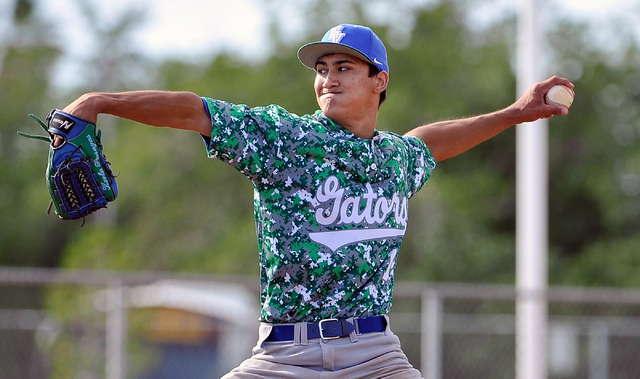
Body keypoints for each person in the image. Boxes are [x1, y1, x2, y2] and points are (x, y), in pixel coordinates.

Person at [62, 24, 572, 379]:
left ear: (380, 81)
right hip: (287, 355)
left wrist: (513, 114)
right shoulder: (284, 138)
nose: (329, 77)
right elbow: (195, 111)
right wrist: (99, 102)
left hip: (376, 356)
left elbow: (432, 141)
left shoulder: (395, 160)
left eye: (345, 67)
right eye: (323, 67)